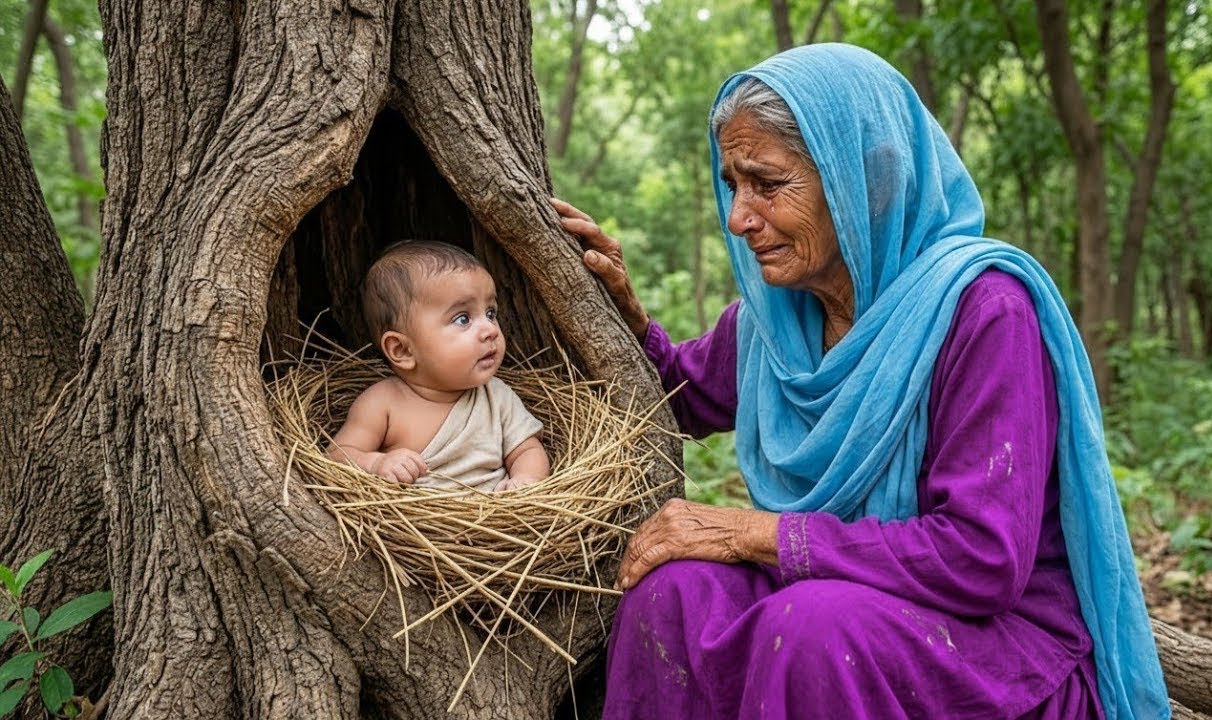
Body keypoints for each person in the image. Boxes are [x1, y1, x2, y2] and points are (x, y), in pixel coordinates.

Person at [555, 44, 1168, 719]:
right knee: (673, 593)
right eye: (733, 184)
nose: (739, 218)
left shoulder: (984, 310)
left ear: (862, 181)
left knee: (813, 628)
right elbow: (682, 395)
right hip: (838, 595)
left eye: (767, 182)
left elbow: (980, 558)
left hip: (989, 639)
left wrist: (752, 532)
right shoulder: (776, 319)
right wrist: (620, 314)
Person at [327, 241, 550, 493]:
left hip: (494, 518)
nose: (490, 330)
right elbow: (338, 454)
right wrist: (376, 462)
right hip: (414, 525)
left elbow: (528, 449)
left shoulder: (496, 397)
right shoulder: (383, 403)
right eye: (463, 318)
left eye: (490, 313)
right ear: (402, 350)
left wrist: (525, 479)